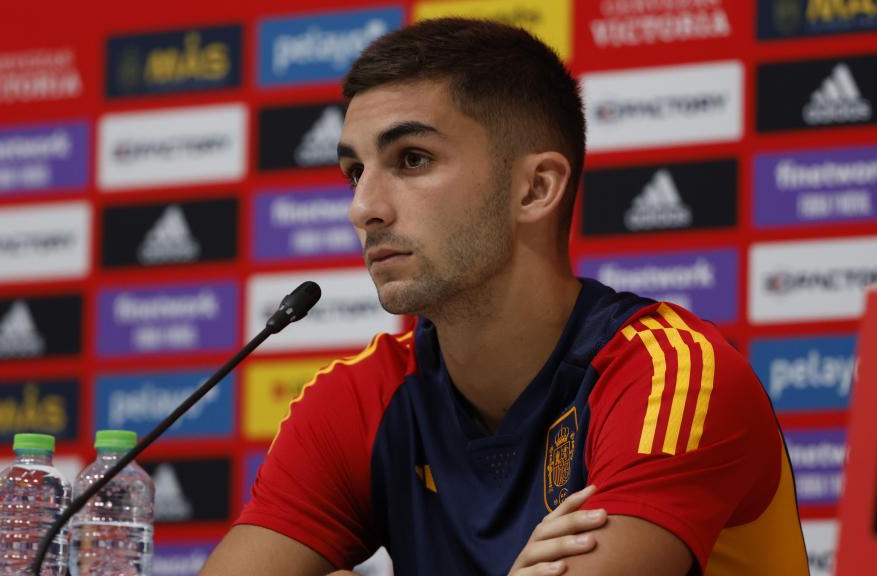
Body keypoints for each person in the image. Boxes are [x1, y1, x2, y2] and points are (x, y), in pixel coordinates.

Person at [202, 18, 808, 576]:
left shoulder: (669, 373)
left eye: (411, 159)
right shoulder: (359, 399)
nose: (363, 208)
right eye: (355, 172)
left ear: (535, 189)